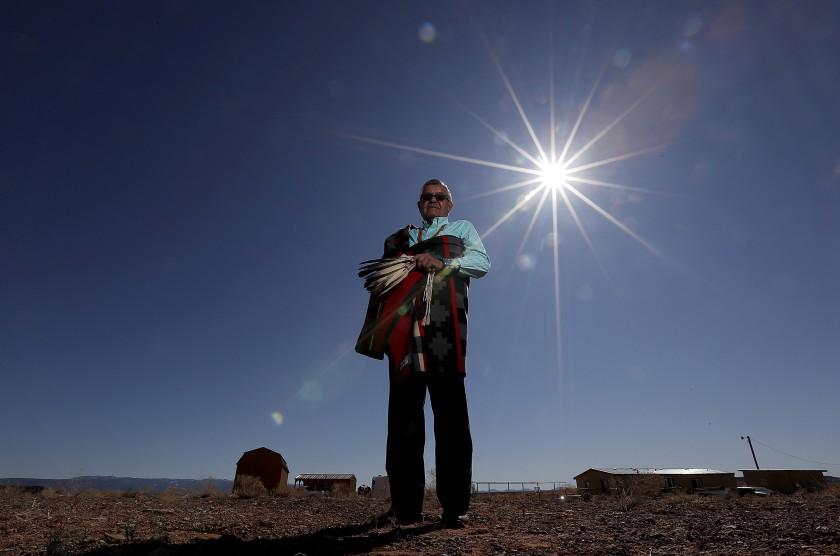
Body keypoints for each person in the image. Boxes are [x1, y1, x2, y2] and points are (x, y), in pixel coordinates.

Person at [355, 178, 490, 528]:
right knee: (402, 421)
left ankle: (455, 506)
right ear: (419, 205)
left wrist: (444, 262)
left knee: (452, 419)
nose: (433, 200)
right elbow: (382, 282)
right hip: (403, 334)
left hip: (444, 331)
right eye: (427, 197)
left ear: (449, 204)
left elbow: (481, 262)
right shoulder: (401, 239)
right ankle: (405, 507)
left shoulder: (462, 229)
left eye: (439, 196)